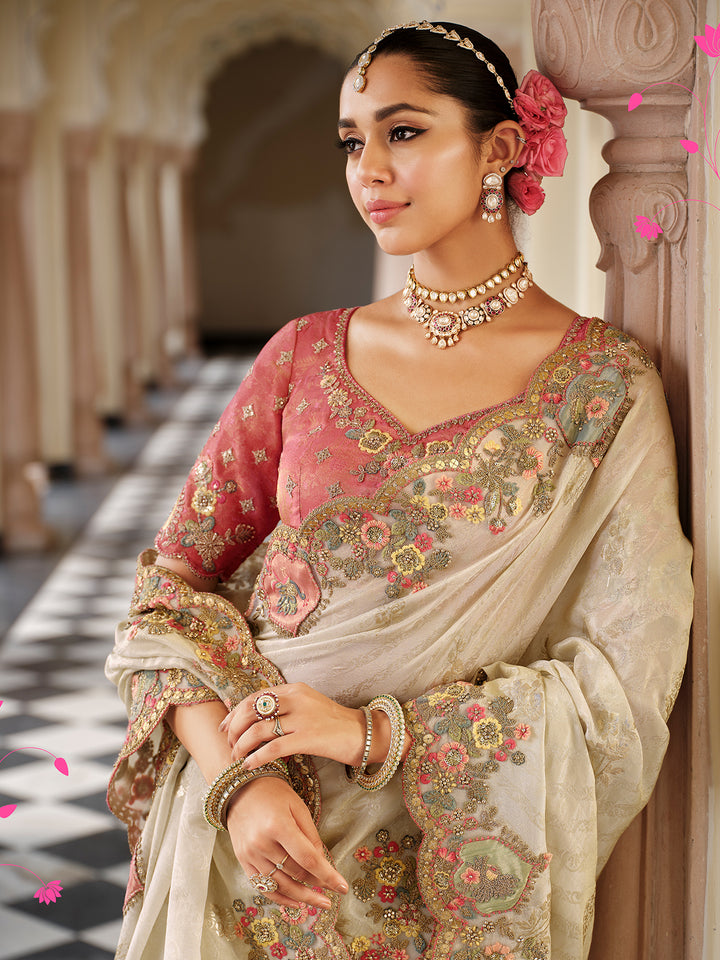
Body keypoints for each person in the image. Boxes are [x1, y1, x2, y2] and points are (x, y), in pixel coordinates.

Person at [106, 20, 693, 960]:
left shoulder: (602, 389)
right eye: (351, 140)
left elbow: (625, 681)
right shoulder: (301, 357)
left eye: (404, 131)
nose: (367, 169)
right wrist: (235, 787)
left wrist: (377, 732)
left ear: (501, 147)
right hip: (245, 858)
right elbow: (166, 594)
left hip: (440, 879)